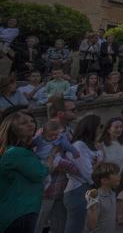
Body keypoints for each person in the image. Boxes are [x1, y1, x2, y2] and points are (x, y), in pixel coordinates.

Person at [33, 99, 80, 233]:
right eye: (72, 110)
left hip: (63, 188)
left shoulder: (70, 131)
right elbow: (37, 160)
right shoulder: (43, 133)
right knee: (36, 226)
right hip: (46, 190)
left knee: (60, 227)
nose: (76, 112)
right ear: (60, 113)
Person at [0, 109, 48, 233]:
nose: (31, 124)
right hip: (19, 212)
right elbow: (40, 174)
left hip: (21, 210)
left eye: (32, 121)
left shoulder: (16, 151)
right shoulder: (16, 153)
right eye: (23, 123)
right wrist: (51, 159)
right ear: (13, 129)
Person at [64, 114, 103, 233]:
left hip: (89, 190)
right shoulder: (79, 146)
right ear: (91, 128)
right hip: (78, 190)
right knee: (75, 228)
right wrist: (98, 166)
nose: (102, 130)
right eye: (99, 126)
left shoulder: (94, 146)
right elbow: (88, 174)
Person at [85, 162, 121, 233]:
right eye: (116, 174)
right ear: (104, 180)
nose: (119, 176)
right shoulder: (96, 197)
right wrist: (92, 209)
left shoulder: (113, 194)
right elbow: (91, 226)